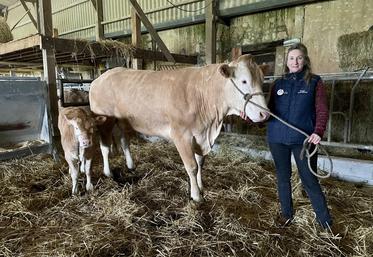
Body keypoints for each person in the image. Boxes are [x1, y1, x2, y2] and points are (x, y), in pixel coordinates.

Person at [266, 43, 332, 229]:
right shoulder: (278, 84)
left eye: (299, 58)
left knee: (309, 179)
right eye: (291, 58)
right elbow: (268, 112)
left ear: (305, 60)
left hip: (304, 141)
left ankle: (325, 221)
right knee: (282, 177)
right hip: (277, 138)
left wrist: (318, 131)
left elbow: (322, 110)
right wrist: (251, 117)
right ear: (286, 62)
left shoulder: (315, 82)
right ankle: (286, 215)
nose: (295, 62)